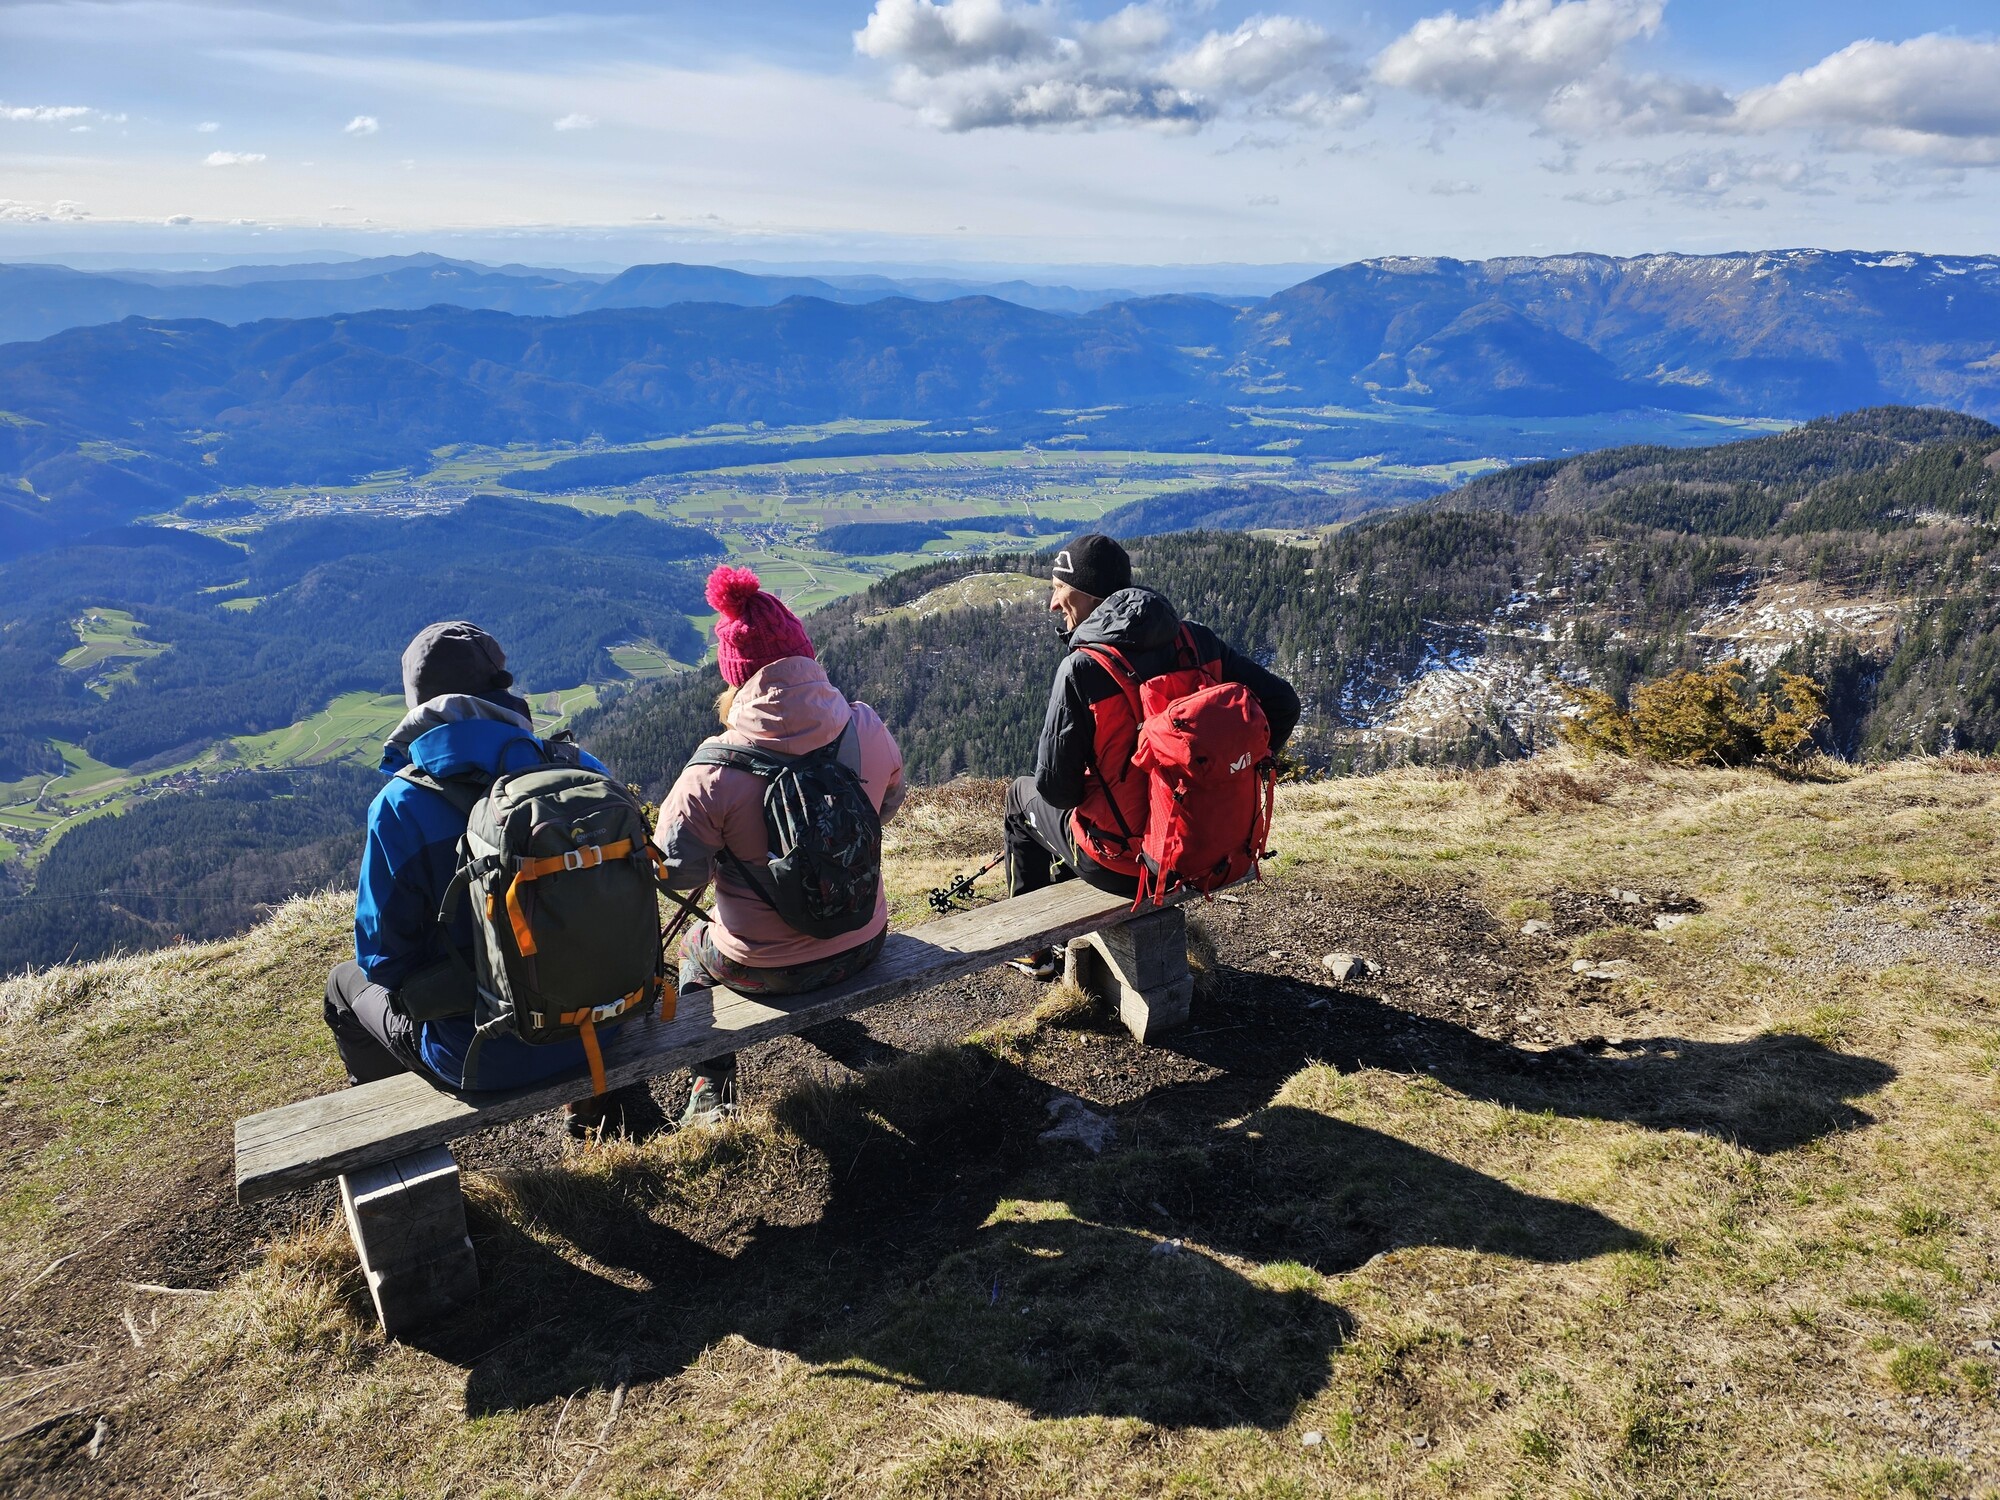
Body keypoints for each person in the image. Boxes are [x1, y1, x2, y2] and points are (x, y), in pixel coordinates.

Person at [324, 620, 617, 1117]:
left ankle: (395, 1145)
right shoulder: (579, 769)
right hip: (606, 1027)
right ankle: (609, 1116)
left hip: (481, 1057)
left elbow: (384, 963)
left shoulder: (400, 805)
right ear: (501, 687)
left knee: (343, 984)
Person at [654, 565, 906, 1128]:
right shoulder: (864, 725)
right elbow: (888, 803)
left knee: (693, 949)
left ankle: (709, 1083)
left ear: (735, 675)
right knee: (813, 947)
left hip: (760, 968)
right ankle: (842, 1038)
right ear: (804, 655)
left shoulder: (712, 770)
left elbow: (675, 875)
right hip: (865, 940)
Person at [1004, 533, 1301, 978]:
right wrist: (1233, 772)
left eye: (1058, 588)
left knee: (1018, 798)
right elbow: (1283, 704)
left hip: (1123, 866)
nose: (1052, 602)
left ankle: (1031, 948)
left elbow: (1057, 790)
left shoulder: (1082, 668)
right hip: (1200, 846)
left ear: (1089, 597)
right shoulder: (1197, 643)